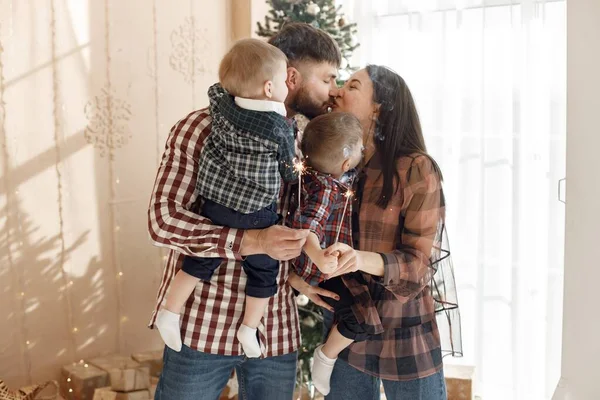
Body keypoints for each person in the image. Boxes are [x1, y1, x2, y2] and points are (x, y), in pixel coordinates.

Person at [147, 23, 342, 400]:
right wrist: (251, 240)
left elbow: (298, 223)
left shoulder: (304, 142)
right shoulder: (200, 127)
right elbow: (162, 220)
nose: (333, 89)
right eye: (327, 77)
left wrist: (302, 278)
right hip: (200, 325)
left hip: (275, 329)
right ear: (289, 77)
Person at [290, 65, 462, 399]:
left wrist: (357, 259)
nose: (337, 90)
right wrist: (296, 279)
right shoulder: (331, 168)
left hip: (404, 333)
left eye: (352, 85)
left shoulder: (415, 168)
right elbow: (296, 226)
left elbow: (419, 266)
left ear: (378, 108)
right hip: (347, 332)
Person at [154, 38, 298, 358]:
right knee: (263, 270)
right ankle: (249, 328)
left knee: (200, 260)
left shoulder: (218, 112)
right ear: (269, 87)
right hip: (257, 213)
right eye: (286, 80)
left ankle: (170, 310)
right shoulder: (279, 126)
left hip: (215, 208)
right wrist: (293, 174)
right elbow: (289, 170)